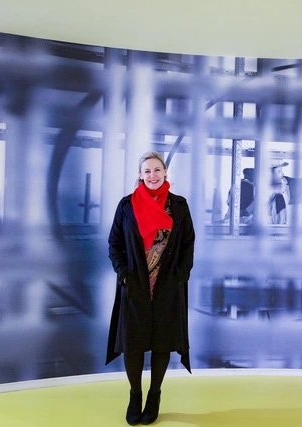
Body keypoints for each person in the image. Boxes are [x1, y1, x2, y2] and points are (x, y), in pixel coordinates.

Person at [106, 151, 195, 425]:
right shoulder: (126, 206)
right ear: (140, 174)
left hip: (167, 286)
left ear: (165, 172)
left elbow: (188, 245)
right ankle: (135, 395)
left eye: (157, 170)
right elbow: (114, 244)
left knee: (161, 345)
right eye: (147, 171)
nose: (153, 175)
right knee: (132, 345)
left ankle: (154, 395)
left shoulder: (178, 206)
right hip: (135, 286)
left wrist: (180, 275)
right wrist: (123, 273)